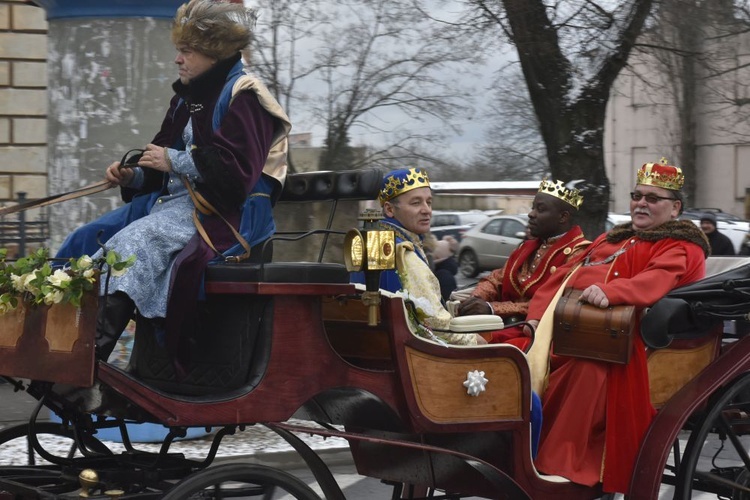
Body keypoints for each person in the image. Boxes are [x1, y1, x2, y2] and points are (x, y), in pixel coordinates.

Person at [57, 0, 291, 362]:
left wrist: (174, 159)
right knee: (87, 238)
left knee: (134, 241)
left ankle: (90, 355)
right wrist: (133, 174)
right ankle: (53, 336)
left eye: (187, 51)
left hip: (229, 213)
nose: (178, 60)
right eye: (179, 51)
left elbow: (236, 177)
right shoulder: (187, 97)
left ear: (213, 54)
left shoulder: (247, 97)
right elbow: (159, 163)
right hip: (173, 206)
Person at [523, 158, 709, 495]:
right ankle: (511, 444)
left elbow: (655, 280)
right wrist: (535, 316)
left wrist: (611, 292)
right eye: (637, 196)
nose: (641, 203)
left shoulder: (683, 246)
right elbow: (565, 274)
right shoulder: (614, 238)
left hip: (624, 342)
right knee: (505, 346)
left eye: (653, 198)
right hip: (571, 329)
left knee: (589, 366)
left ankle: (563, 463)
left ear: (675, 207)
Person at [352, 168, 484, 346]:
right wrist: (478, 342)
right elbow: (437, 327)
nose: (427, 210)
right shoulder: (402, 250)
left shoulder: (371, 241)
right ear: (389, 209)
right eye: (416, 203)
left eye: (429, 202)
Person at [457, 178, 590, 350]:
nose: (531, 214)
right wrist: (477, 299)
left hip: (536, 334)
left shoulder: (578, 252)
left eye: (540, 209)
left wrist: (492, 309)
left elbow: (550, 302)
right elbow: (496, 279)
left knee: (470, 345)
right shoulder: (526, 247)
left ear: (563, 217)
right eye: (533, 207)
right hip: (504, 326)